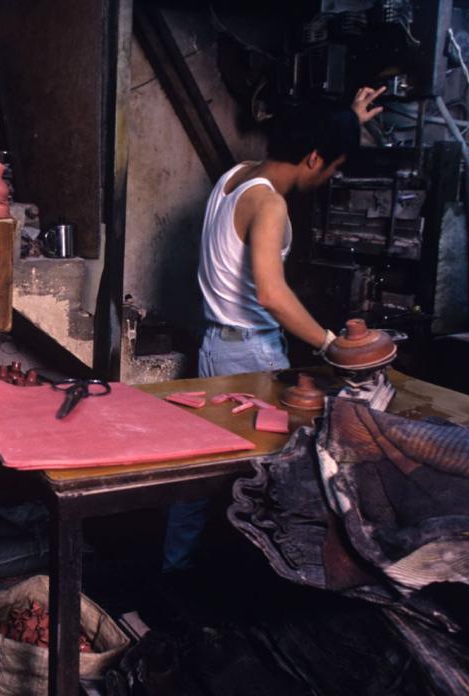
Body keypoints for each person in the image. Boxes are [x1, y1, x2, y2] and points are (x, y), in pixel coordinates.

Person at [163, 86, 386, 572]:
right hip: (252, 358)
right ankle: (264, 581)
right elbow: (271, 293)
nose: (331, 177)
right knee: (272, 483)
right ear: (312, 157)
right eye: (332, 166)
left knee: (200, 476)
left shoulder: (235, 178)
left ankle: (175, 572)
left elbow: (312, 140)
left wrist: (344, 120)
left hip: (213, 349)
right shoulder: (271, 206)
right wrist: (331, 344)